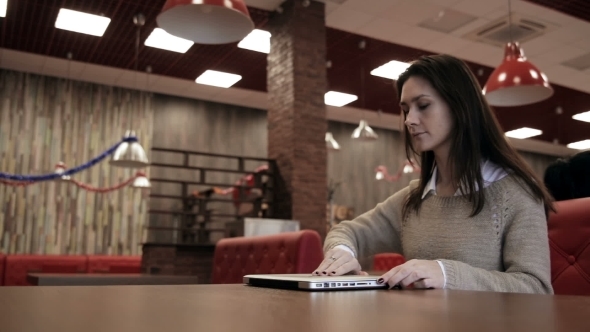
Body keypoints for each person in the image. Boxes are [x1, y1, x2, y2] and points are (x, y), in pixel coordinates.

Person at [313, 54, 555, 294]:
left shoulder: (517, 193)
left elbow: (537, 288)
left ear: (459, 106)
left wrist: (447, 274)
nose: (409, 120)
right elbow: (346, 231)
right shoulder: (412, 200)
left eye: (423, 106)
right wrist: (341, 253)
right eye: (405, 110)